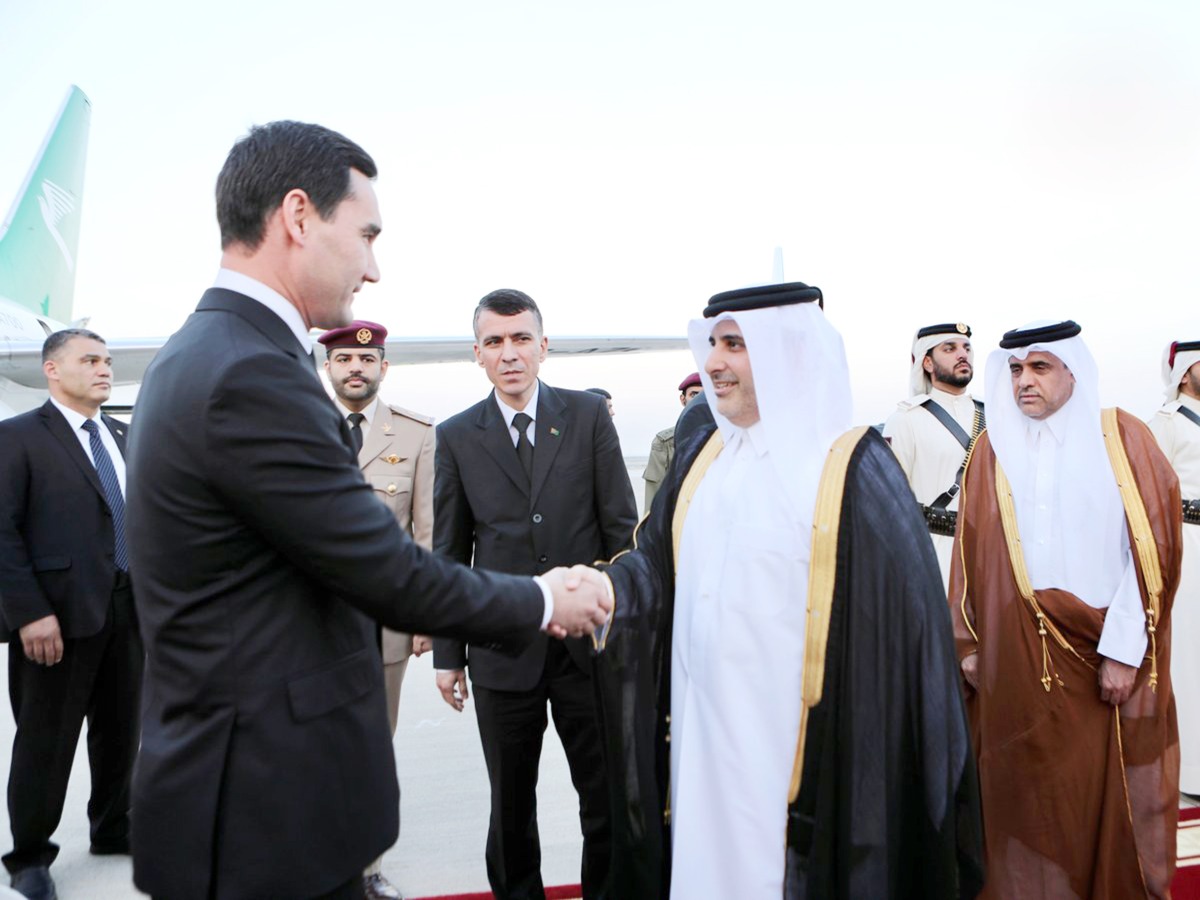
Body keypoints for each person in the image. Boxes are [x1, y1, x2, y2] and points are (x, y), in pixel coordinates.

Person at [124, 121, 611, 900]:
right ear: (298, 216)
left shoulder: (203, 352)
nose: (373, 268)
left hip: (250, 792)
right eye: (367, 235)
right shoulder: (249, 373)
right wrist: (547, 598)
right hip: (265, 811)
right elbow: (386, 572)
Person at [584, 282, 983, 899]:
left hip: (795, 758)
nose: (713, 361)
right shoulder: (703, 459)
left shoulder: (849, 467)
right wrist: (602, 590)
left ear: (786, 353)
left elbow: (906, 633)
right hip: (702, 745)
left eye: (735, 344)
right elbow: (656, 567)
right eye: (712, 343)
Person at [950, 320, 1181, 898]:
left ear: (1073, 371)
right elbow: (967, 557)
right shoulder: (991, 449)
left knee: (1093, 796)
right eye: (1015, 369)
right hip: (1013, 662)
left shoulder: (1122, 439)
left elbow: (1152, 551)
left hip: (1100, 658)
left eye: (1040, 367)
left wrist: (1124, 652)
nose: (1024, 381)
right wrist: (970, 644)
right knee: (1021, 795)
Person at [432, 288, 637, 899]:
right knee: (511, 808)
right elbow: (450, 555)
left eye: (521, 338)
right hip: (502, 652)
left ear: (543, 346)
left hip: (587, 650)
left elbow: (622, 532)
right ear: (477, 353)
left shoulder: (588, 417)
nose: (509, 353)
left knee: (604, 798)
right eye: (494, 341)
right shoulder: (456, 437)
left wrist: (622, 631)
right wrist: (448, 655)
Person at [0, 329, 142, 900]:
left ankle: (113, 827)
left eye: (106, 361)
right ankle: (30, 856)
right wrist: (29, 613)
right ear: (52, 369)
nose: (104, 369)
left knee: (122, 730)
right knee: (46, 739)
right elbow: (2, 532)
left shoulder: (124, 435)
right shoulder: (17, 438)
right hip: (55, 617)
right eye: (89, 360)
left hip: (130, 606)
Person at [319, 319, 434, 900]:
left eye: (366, 360)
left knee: (371, 748)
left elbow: (426, 534)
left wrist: (423, 617)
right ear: (328, 368)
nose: (355, 368)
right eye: (344, 360)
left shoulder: (416, 435)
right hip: (307, 621)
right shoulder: (298, 427)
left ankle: (366, 869)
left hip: (382, 624)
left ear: (383, 368)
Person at [882, 323, 983, 589]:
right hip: (932, 558)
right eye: (949, 349)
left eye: (966, 348)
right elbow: (889, 502)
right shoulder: (905, 420)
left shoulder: (994, 415)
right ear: (927, 363)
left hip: (989, 556)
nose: (962, 354)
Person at [1148, 338, 1200, 800]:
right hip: (1189, 541)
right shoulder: (1163, 424)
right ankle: (1192, 773)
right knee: (1189, 653)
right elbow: (1149, 492)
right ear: (1185, 372)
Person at [642, 372, 702, 508]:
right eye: (694, 394)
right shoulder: (664, 442)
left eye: (706, 394)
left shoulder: (730, 438)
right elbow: (654, 496)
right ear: (683, 399)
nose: (700, 399)